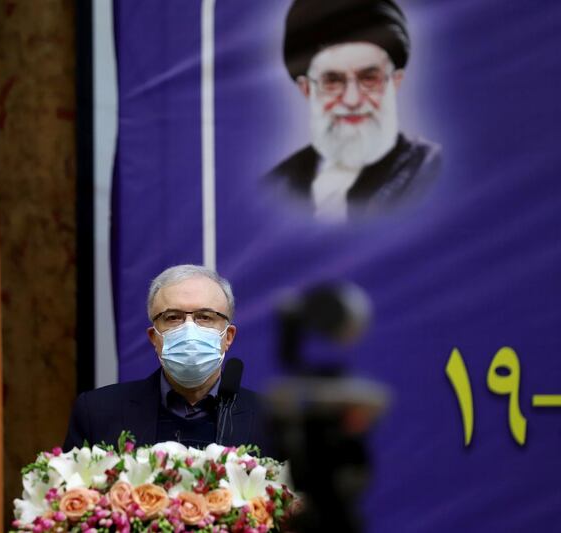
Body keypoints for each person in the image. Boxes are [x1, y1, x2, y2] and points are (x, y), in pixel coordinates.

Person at [63, 264, 276, 456]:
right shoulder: (97, 413)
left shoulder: (270, 421)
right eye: (173, 317)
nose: (189, 329)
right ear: (154, 337)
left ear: (228, 337)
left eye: (205, 317)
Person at [268, 0, 441, 222]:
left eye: (369, 78)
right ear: (306, 89)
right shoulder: (278, 185)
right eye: (332, 81)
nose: (352, 100)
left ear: (395, 82)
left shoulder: (430, 172)